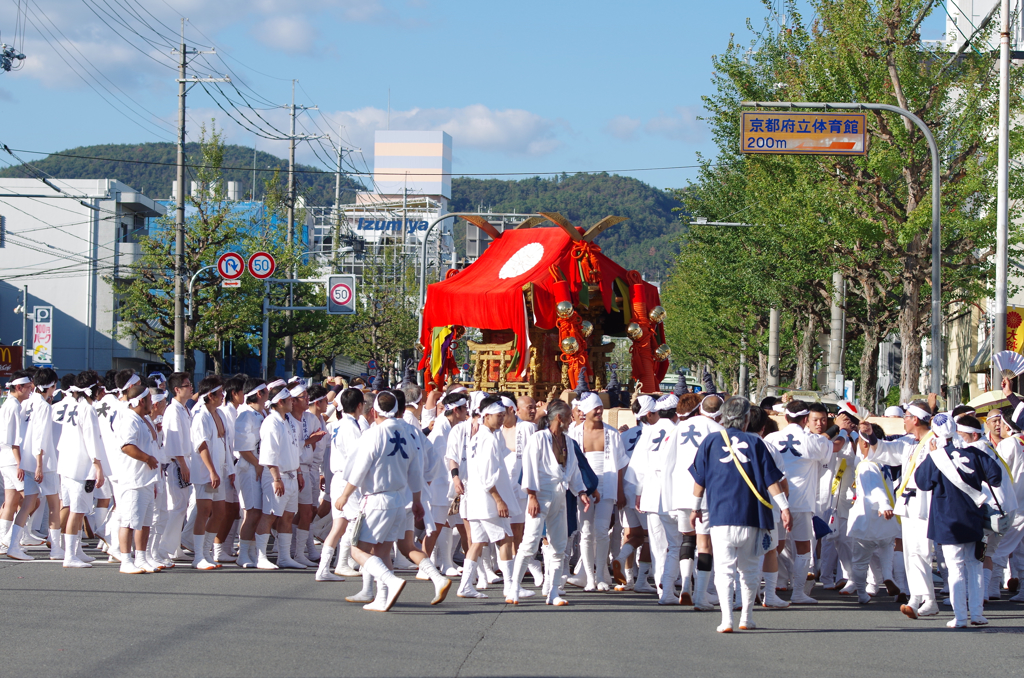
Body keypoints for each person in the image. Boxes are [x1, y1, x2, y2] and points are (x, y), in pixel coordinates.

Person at [689, 397, 791, 633]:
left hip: (720, 515)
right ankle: (746, 617)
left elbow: (699, 480)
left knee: (724, 568)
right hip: (752, 515)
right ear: (746, 419)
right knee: (749, 569)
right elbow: (772, 481)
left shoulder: (710, 441)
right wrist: (784, 508)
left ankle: (726, 620)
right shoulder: (757, 444)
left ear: (724, 417)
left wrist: (695, 508)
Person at [333, 391, 426, 612]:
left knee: (358, 550)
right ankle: (382, 597)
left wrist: (345, 495)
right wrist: (417, 500)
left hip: (377, 499)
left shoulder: (374, 434)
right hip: (399, 498)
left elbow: (360, 468)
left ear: (374, 411)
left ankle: (390, 582)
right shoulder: (408, 432)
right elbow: (416, 471)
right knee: (382, 551)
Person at [914, 414, 1002, 627]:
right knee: (975, 566)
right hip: (974, 518)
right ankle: (978, 614)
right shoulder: (974, 452)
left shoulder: (936, 456)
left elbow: (922, 482)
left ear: (935, 433)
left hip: (948, 521)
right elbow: (996, 477)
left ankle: (961, 616)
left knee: (955, 568)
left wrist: (932, 457)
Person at [860, 399, 941, 619]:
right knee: (911, 553)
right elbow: (886, 450)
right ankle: (917, 597)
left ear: (915, 419)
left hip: (926, 505)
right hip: (908, 505)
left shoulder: (937, 441)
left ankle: (929, 599)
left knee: (923, 552)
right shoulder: (907, 442)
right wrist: (870, 434)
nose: (904, 420)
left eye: (906, 417)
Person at [507, 399, 592, 606]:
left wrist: (580, 491)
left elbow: (573, 471)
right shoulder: (538, 438)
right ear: (559, 418)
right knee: (529, 542)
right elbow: (529, 468)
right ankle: (514, 588)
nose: (572, 421)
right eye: (570, 417)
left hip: (560, 495)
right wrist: (532, 496)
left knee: (559, 545)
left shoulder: (569, 442)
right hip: (541, 494)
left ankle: (553, 591)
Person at [764, 400, 833, 604]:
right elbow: (829, 448)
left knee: (771, 547)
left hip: (776, 499)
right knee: (803, 548)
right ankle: (798, 592)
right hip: (801, 502)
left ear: (785, 417)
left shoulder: (771, 438)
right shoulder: (814, 440)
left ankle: (767, 592)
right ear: (805, 419)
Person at [666, 392, 726, 607]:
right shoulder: (719, 431)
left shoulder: (679, 427)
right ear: (720, 414)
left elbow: (667, 461)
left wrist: (668, 495)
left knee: (686, 539)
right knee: (704, 544)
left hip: (679, 491)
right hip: (704, 495)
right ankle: (701, 595)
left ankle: (684, 587)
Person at [459, 395, 519, 600]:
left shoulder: (478, 437)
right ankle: (510, 587)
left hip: (476, 499)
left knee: (477, 542)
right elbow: (487, 475)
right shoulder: (487, 439)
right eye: (498, 415)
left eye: (503, 415)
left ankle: (465, 585)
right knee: (505, 539)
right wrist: (498, 499)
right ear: (485, 416)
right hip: (487, 500)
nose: (502, 419)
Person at [568, 392, 627, 592]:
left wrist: (619, 491)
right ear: (585, 411)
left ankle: (602, 574)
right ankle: (588, 576)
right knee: (585, 532)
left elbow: (620, 465)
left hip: (607, 483)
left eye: (601, 408)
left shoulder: (612, 433)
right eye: (596, 409)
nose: (599, 412)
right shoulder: (574, 433)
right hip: (583, 486)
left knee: (602, 531)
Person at [629, 392, 681, 604]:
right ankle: (672, 585)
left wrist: (639, 493)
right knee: (677, 543)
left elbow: (638, 467)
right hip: (672, 494)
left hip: (650, 493)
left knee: (658, 545)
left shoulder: (649, 432)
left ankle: (662, 587)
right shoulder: (678, 430)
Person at [57, 371, 107, 568]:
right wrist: (98, 465)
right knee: (77, 511)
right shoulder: (87, 409)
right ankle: (70, 555)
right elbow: (92, 439)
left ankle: (76, 550)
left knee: (74, 509)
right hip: (81, 467)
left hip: (67, 465)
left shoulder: (72, 405)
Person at [256, 384, 305, 570]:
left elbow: (294, 449)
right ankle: (261, 556)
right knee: (269, 515)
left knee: (287, 517)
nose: (293, 402)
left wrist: (298, 472)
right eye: (289, 399)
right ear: (280, 402)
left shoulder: (288, 421)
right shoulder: (271, 422)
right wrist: (276, 478)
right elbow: (270, 453)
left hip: (291, 475)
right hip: (277, 476)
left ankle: (284, 557)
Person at [114, 383, 161, 574]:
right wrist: (147, 458)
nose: (152, 402)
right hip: (132, 480)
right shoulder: (130, 419)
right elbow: (126, 446)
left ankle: (141, 558)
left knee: (144, 522)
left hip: (146, 480)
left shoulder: (142, 419)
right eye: (150, 399)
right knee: (129, 521)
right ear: (142, 400)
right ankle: (126, 560)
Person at [319, 387, 364, 581]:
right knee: (354, 521)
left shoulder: (338, 424)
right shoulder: (352, 428)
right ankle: (343, 562)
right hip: (348, 478)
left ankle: (324, 568)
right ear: (360, 405)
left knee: (339, 525)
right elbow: (359, 458)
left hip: (338, 477)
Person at [613, 394, 656, 592]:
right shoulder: (656, 434)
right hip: (644, 489)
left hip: (626, 487)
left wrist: (619, 491)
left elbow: (619, 466)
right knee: (650, 536)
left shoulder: (625, 435)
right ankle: (641, 581)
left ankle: (626, 573)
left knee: (631, 533)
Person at [189, 376, 231, 570]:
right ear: (210, 395)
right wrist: (212, 471)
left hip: (219, 471)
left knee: (220, 512)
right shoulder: (201, 415)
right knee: (204, 511)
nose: (223, 396)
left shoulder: (219, 414)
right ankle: (198, 555)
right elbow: (201, 445)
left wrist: (228, 469)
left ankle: (207, 552)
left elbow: (225, 444)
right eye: (220, 393)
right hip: (206, 472)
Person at [155, 373, 193, 562]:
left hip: (183, 460)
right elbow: (174, 440)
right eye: (187, 385)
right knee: (177, 506)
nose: (191, 388)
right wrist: (183, 464)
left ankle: (175, 546)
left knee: (182, 505)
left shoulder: (184, 409)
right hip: (176, 462)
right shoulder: (173, 410)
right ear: (177, 389)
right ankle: (165, 549)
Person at [232, 378, 267, 568]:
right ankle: (243, 552)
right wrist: (258, 465)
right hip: (249, 468)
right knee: (252, 512)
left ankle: (252, 551)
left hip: (257, 467)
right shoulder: (245, 415)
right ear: (259, 394)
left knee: (258, 512)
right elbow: (243, 448)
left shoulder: (258, 414)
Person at [0, 371, 35, 558]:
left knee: (12, 501)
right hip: (13, 459)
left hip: (6, 459)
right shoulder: (13, 406)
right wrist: (20, 462)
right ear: (19, 387)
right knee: (32, 499)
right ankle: (10, 542)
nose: (31, 391)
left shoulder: (9, 404)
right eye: (29, 387)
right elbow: (13, 439)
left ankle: (3, 542)